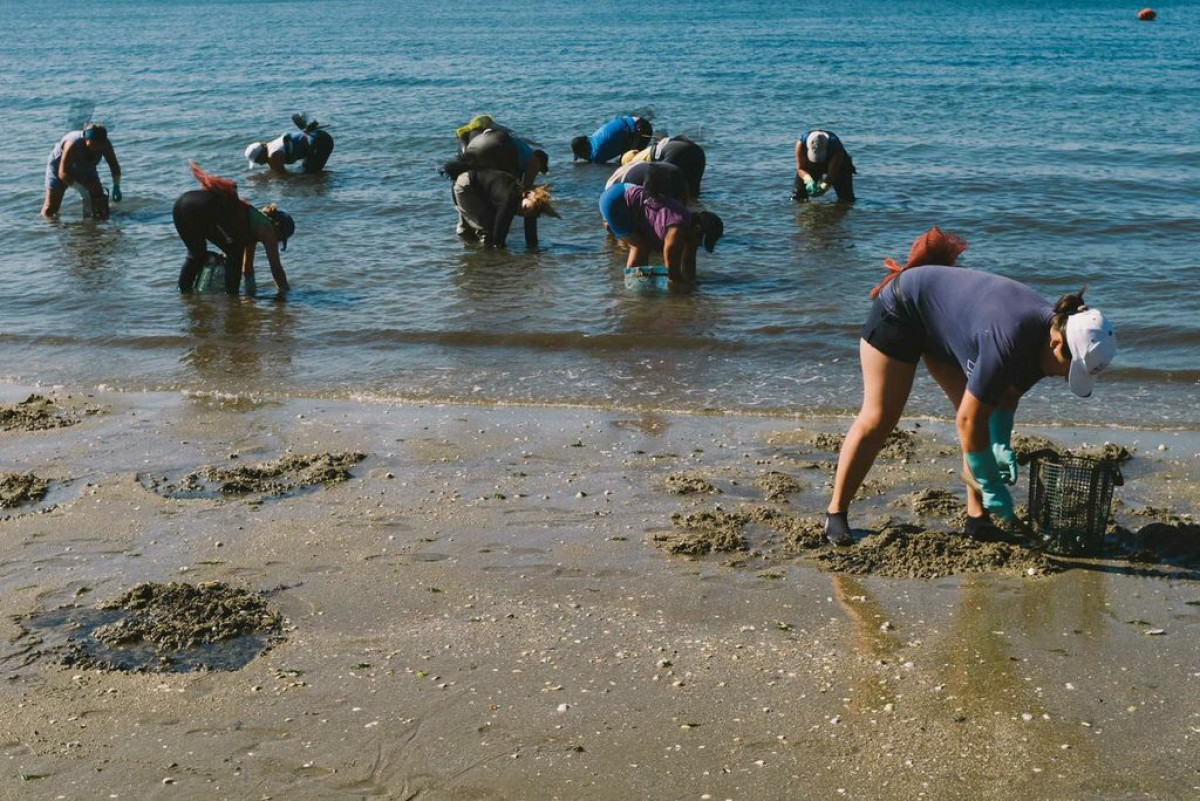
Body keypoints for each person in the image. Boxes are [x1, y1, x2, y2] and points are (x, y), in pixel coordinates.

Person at [823, 227, 1117, 546]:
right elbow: (968, 420)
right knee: (880, 417)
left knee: (980, 418)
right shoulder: (1009, 339)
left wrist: (1001, 443)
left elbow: (1007, 395)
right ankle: (836, 513)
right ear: (1057, 343)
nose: (1064, 377)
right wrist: (991, 483)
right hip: (902, 310)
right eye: (1069, 369)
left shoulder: (1047, 343)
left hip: (948, 327)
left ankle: (977, 520)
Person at [173, 162, 294, 295]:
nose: (276, 241)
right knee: (234, 252)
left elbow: (247, 269)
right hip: (201, 209)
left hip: (181, 205)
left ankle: (184, 294)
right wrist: (286, 295)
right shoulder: (268, 229)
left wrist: (250, 295)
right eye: (280, 239)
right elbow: (276, 269)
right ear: (278, 226)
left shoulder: (253, 228)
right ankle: (232, 297)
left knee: (196, 254)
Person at [598, 168, 724, 283]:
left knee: (645, 245)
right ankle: (633, 289)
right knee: (640, 247)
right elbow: (671, 273)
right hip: (616, 200)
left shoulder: (691, 229)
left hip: (628, 191)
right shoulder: (677, 229)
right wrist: (681, 291)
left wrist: (692, 283)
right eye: (700, 242)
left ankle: (642, 284)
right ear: (697, 229)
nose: (697, 245)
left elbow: (689, 263)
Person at [446, 163, 559, 248]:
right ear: (528, 194)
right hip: (466, 186)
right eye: (524, 208)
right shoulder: (509, 200)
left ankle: (467, 246)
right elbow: (498, 238)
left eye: (524, 215)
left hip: (476, 185)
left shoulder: (524, 198)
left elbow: (529, 237)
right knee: (486, 230)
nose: (521, 212)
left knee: (483, 224)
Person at [42, 123, 122, 219]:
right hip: (59, 167)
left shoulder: (105, 145)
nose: (96, 148)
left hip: (86, 166)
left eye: (99, 145)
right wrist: (83, 192)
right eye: (93, 144)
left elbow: (114, 166)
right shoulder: (72, 144)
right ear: (85, 139)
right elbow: (63, 174)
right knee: (51, 208)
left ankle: (93, 227)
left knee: (99, 198)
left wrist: (116, 186)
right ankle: (47, 229)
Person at [447, 126, 548, 191]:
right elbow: (526, 186)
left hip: (479, 140)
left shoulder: (524, 148)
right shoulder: (535, 159)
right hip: (504, 147)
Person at [245, 114, 334, 174]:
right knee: (309, 172)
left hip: (320, 142)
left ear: (262, 154)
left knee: (311, 174)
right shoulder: (271, 147)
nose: (260, 164)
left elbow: (282, 176)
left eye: (257, 161)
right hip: (320, 137)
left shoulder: (274, 155)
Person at [793, 129, 855, 203]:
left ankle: (842, 211)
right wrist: (808, 179)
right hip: (811, 164)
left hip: (838, 164)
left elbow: (832, 174)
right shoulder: (801, 144)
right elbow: (800, 169)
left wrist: (825, 184)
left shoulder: (837, 147)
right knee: (798, 197)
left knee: (847, 198)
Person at [571, 115, 654, 165]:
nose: (583, 158)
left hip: (640, 131)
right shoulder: (592, 138)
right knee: (623, 160)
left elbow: (597, 165)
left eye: (581, 156)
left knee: (629, 164)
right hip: (636, 121)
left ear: (583, 150)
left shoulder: (596, 154)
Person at [604, 160, 689, 203]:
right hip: (674, 169)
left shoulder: (612, 187)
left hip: (647, 176)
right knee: (679, 207)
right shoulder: (635, 163)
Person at [652, 134, 706, 198]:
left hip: (676, 152)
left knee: (665, 192)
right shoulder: (673, 142)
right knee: (693, 191)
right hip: (698, 151)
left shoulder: (645, 155)